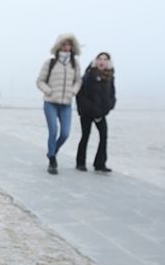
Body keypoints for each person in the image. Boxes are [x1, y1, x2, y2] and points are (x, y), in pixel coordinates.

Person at [36, 33, 82, 174]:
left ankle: (52, 151)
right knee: (53, 131)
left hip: (66, 104)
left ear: (72, 47)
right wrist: (48, 91)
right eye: (64, 44)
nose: (66, 47)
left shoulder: (75, 64)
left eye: (69, 44)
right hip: (50, 103)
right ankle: (52, 162)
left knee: (65, 133)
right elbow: (39, 81)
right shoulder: (50, 63)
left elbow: (78, 81)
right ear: (58, 46)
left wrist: (73, 91)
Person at [75, 52, 116, 173]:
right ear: (96, 61)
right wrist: (85, 108)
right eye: (100, 59)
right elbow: (81, 94)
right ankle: (80, 162)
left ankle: (100, 163)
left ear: (108, 62)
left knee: (104, 136)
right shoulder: (89, 75)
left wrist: (109, 106)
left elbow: (112, 94)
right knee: (85, 135)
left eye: (105, 59)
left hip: (101, 113)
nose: (102, 62)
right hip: (87, 112)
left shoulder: (110, 77)